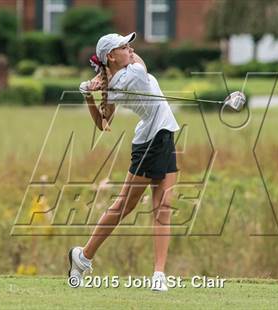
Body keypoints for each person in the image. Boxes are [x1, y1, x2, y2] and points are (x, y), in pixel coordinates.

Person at [69, 32, 179, 292]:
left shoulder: (117, 79)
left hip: (162, 133)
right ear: (111, 56)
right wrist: (93, 89)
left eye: (129, 44)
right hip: (152, 139)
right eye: (123, 46)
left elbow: (103, 122)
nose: (130, 48)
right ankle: (83, 256)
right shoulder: (132, 75)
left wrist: (93, 89)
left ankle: (159, 274)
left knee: (163, 208)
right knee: (124, 206)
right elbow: (141, 64)